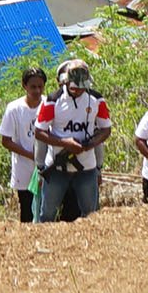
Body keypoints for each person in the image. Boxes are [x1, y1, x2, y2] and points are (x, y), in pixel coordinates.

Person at [41, 60, 112, 220]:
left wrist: (89, 145)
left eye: (82, 87)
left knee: (91, 214)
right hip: (57, 167)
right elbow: (39, 132)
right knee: (48, 213)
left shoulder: (96, 100)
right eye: (75, 88)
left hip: (87, 168)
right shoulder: (53, 100)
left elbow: (106, 129)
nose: (78, 91)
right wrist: (65, 143)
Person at [0, 65, 50, 224]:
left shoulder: (48, 105)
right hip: (23, 167)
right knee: (27, 209)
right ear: (24, 86)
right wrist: (30, 155)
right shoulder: (14, 109)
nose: (37, 91)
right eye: (33, 86)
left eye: (40, 87)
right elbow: (6, 140)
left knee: (46, 207)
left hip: (47, 166)